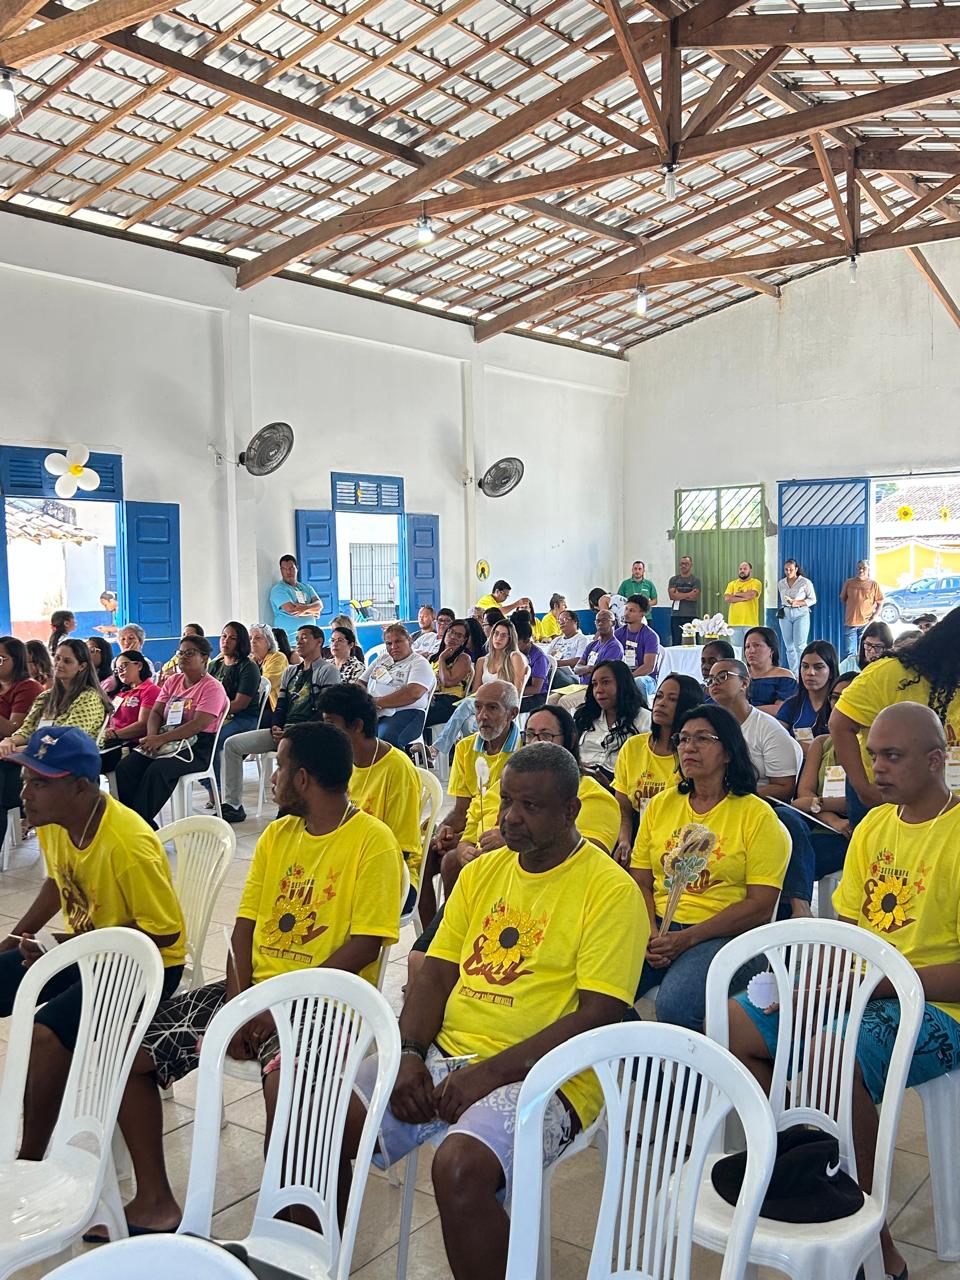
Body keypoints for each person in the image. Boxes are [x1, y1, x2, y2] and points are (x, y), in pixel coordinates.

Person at [344, 742, 647, 1280]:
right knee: (324, 1118)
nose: (509, 817)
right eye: (507, 801)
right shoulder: (485, 872)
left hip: (553, 1076)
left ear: (571, 811)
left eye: (530, 806)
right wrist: (410, 1053)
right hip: (448, 1053)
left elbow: (598, 1016)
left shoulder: (609, 891)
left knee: (460, 1167)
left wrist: (485, 1076)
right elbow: (435, 972)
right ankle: (313, 1262)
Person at [111, 720, 402, 1235]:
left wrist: (278, 1003)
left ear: (304, 779)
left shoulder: (372, 842)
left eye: (281, 767)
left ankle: (304, 1239)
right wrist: (242, 1000)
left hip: (325, 1005)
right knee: (130, 1052)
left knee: (291, 1105)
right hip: (255, 994)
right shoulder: (278, 834)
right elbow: (243, 928)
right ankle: (155, 1199)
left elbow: (366, 944)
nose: (271, 778)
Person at [728, 703, 960, 1280]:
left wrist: (878, 986)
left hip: (941, 1006)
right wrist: (814, 981)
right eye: (873, 753)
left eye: (892, 756)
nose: (875, 768)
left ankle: (870, 1233)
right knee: (733, 1024)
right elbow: (851, 933)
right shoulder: (877, 826)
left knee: (830, 1053)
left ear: (936, 761)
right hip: (866, 989)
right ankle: (804, 1161)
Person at [0, 727, 184, 1162]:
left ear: (80, 787)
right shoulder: (55, 821)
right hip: (87, 950)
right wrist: (13, 939)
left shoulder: (128, 844)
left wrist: (69, 947)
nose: (27, 792)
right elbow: (56, 883)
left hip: (146, 964)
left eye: (40, 782)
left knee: (47, 1033)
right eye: (26, 780)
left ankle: (30, 1160)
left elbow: (164, 935)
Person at [629, 703, 789, 1033]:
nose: (689, 747)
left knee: (674, 1005)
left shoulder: (755, 815)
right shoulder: (661, 805)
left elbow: (759, 907)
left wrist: (686, 939)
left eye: (702, 738)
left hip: (725, 934)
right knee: (600, 993)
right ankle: (658, 1080)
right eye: (683, 739)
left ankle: (700, 1078)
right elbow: (641, 881)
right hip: (658, 926)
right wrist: (649, 932)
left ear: (728, 751)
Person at [705, 657, 813, 917]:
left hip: (761, 804)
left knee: (786, 820)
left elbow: (784, 788)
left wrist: (738, 796)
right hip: (716, 804)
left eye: (723, 676)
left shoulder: (767, 729)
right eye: (710, 680)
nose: (715, 683)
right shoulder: (709, 727)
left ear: (744, 682)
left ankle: (800, 905)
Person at [830, 606, 960, 811]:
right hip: (884, 798)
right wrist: (864, 788)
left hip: (945, 803)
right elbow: (839, 725)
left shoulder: (954, 679)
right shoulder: (888, 673)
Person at [219, 625, 341, 823]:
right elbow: (281, 705)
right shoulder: (291, 672)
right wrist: (276, 726)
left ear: (319, 641)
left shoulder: (328, 671)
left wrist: (293, 731)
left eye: (305, 638)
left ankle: (288, 807)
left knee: (289, 752)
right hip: (283, 731)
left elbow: (325, 711)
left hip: (311, 732)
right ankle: (233, 805)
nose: (299, 642)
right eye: (298, 638)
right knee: (232, 745)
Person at [423, 681, 521, 928]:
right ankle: (431, 935)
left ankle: (459, 927)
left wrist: (502, 834)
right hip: (473, 828)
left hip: (507, 833)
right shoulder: (466, 748)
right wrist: (444, 829)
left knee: (452, 861)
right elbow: (460, 809)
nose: (482, 716)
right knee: (425, 857)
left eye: (492, 708)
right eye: (477, 708)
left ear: (512, 714)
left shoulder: (524, 749)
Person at [318, 683, 423, 900]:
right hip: (341, 865)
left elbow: (400, 848)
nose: (325, 731)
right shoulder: (337, 761)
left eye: (330, 723)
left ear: (356, 725)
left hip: (390, 873)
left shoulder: (397, 769)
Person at [115, 634, 228, 828]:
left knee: (158, 770)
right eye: (180, 652)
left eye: (190, 653)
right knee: (126, 767)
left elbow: (198, 724)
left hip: (197, 747)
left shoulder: (212, 688)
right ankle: (138, 822)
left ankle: (138, 826)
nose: (183, 656)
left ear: (204, 658)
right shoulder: (173, 681)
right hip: (166, 738)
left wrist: (160, 739)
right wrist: (152, 737)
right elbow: (156, 712)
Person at [613, 673, 703, 863]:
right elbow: (623, 808)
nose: (661, 703)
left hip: (682, 840)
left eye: (672, 699)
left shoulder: (692, 753)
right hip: (638, 833)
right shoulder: (633, 747)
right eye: (659, 696)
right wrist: (624, 841)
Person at [791, 672, 857, 884]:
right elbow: (802, 795)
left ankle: (796, 907)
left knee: (794, 860)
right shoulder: (822, 742)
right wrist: (832, 818)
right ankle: (797, 906)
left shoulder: (873, 744)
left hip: (854, 829)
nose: (838, 703)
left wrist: (816, 803)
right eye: (835, 697)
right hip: (822, 823)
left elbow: (864, 799)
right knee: (784, 817)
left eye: (847, 696)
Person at [0, 638, 112, 755]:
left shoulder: (89, 697)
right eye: (57, 658)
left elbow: (66, 739)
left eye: (67, 661)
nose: (59, 664)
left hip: (70, 760)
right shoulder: (45, 697)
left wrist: (21, 749)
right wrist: (9, 741)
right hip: (38, 755)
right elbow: (26, 730)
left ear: (82, 666)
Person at [207, 621, 262, 796]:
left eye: (232, 638)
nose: (226, 641)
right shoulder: (215, 665)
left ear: (241, 642)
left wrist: (212, 712)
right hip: (219, 716)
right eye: (224, 636)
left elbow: (240, 704)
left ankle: (219, 792)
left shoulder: (248, 667)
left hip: (244, 719)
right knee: (194, 738)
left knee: (212, 741)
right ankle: (211, 785)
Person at [573, 660, 650, 786]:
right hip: (580, 780)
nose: (598, 690)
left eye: (605, 682)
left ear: (622, 684)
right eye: (594, 684)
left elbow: (647, 766)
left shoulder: (644, 720)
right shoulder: (585, 717)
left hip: (621, 788)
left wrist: (611, 785)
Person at [362, 624, 435, 748]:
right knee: (351, 732)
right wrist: (364, 701)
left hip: (405, 712)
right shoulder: (383, 659)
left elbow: (413, 694)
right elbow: (361, 682)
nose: (393, 647)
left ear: (409, 640)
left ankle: (398, 766)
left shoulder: (419, 663)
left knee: (385, 739)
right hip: (374, 711)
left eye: (398, 642)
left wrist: (376, 703)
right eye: (388, 643)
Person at [0, 636, 42, 846]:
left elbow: (13, 730)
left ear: (16, 660)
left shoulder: (28, 688)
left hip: (17, 761)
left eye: (1, 658)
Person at [100, 651, 161, 775]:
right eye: (117, 670)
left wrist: (114, 735)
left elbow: (144, 725)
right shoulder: (121, 693)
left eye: (124, 666)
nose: (120, 671)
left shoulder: (150, 690)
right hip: (112, 741)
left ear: (139, 665)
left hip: (132, 744)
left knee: (90, 762)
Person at [776, 640, 839, 744]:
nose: (810, 673)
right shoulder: (791, 705)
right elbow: (775, 739)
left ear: (831, 672)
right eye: (805, 666)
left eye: (818, 667)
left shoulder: (841, 706)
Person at [425, 619, 474, 741]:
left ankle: (425, 750)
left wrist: (442, 659)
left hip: (450, 701)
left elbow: (448, 682)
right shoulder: (432, 657)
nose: (453, 637)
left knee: (419, 715)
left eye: (459, 635)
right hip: (432, 698)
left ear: (464, 640)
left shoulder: (463, 658)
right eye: (451, 632)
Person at [742, 626, 797, 715]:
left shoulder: (785, 676)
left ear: (771, 649)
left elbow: (782, 709)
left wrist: (746, 710)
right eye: (747, 647)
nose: (751, 651)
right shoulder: (740, 675)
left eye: (757, 645)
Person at [615, 594, 660, 699]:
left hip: (647, 678)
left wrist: (628, 678)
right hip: (623, 676)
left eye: (632, 611)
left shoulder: (651, 636)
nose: (626, 613)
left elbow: (649, 667)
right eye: (626, 609)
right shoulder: (618, 634)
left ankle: (643, 711)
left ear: (642, 614)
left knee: (639, 682)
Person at [776, 559, 816, 673]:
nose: (788, 572)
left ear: (796, 569)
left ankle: (803, 671)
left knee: (800, 645)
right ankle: (794, 673)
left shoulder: (805, 582)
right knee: (789, 646)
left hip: (801, 613)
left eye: (791, 570)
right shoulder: (781, 583)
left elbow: (813, 599)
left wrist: (797, 602)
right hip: (785, 613)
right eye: (786, 570)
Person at [269, 554, 322, 639]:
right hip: (290, 641)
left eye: (291, 568)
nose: (288, 572)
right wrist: (314, 611)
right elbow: (292, 610)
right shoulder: (278, 590)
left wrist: (305, 608)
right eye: (284, 569)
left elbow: (319, 604)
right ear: (281, 570)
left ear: (297, 568)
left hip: (310, 640)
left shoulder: (307, 587)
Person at [840, 559, 884, 659]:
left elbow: (880, 602)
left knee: (864, 652)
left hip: (866, 624)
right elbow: (843, 598)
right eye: (859, 568)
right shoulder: (849, 583)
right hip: (850, 623)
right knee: (849, 653)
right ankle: (850, 673)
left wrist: (874, 616)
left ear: (868, 569)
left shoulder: (874, 584)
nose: (861, 570)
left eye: (863, 568)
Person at [545, 609, 590, 689]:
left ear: (575, 622)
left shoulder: (582, 639)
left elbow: (578, 661)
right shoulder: (556, 640)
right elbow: (546, 659)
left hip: (571, 676)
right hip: (554, 672)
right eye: (559, 621)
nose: (561, 623)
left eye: (565, 619)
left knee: (553, 673)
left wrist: (556, 663)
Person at [723, 561, 763, 648]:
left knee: (751, 648)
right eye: (740, 569)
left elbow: (752, 595)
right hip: (734, 622)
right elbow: (727, 598)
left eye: (745, 569)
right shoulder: (732, 584)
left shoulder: (756, 582)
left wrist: (735, 594)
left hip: (750, 622)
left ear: (750, 571)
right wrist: (744, 597)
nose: (742, 571)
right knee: (736, 649)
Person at [249, 622, 288, 711]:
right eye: (250, 638)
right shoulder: (250, 660)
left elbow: (265, 684)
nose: (253, 641)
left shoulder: (278, 657)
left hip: (273, 708)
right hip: (254, 705)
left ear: (268, 641)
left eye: (258, 638)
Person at [515, 616, 549, 712]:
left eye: (516, 642)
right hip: (520, 693)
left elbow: (536, 688)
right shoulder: (515, 654)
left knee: (505, 708)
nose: (512, 645)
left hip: (537, 697)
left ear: (527, 641)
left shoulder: (538, 657)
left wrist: (513, 693)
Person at [667, 555, 701, 646]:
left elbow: (695, 596)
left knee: (693, 642)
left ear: (691, 565)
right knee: (676, 641)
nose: (683, 566)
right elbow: (672, 596)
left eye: (686, 564)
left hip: (691, 615)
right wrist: (688, 594)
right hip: (676, 616)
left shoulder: (695, 580)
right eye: (682, 564)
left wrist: (678, 594)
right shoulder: (673, 580)